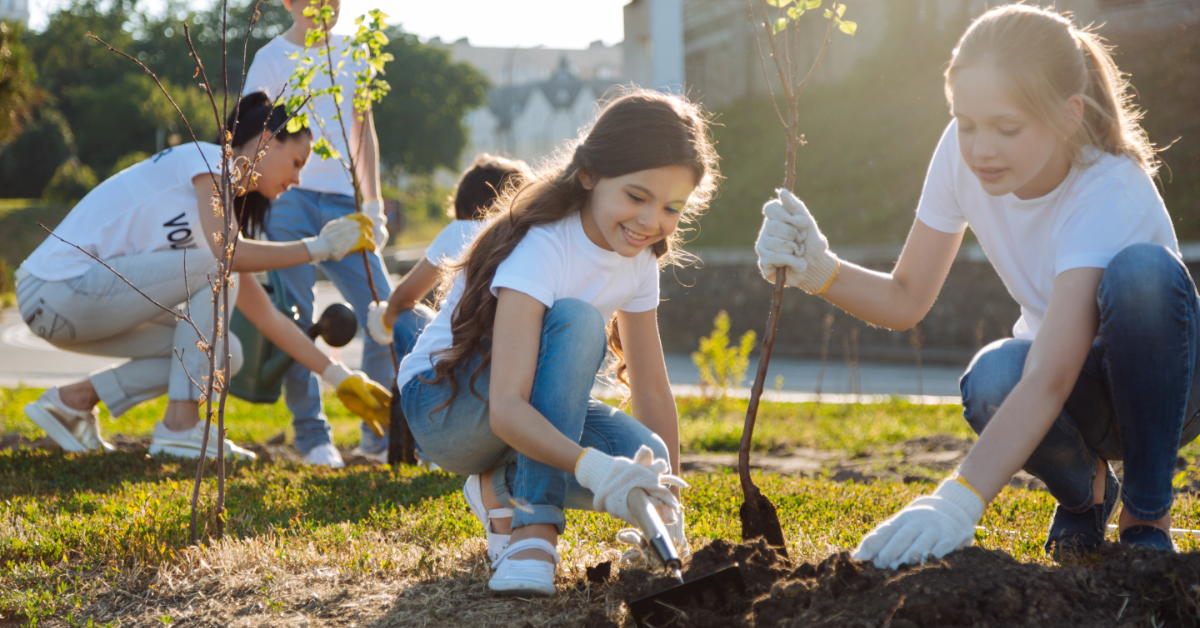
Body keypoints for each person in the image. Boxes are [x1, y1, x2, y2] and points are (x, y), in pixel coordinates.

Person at [755, 4, 1186, 567]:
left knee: (1143, 276)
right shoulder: (962, 157)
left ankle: (1147, 510)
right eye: (966, 122)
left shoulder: (1108, 188)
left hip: (1167, 386)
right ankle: (1085, 499)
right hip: (1074, 389)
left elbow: (1053, 374)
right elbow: (906, 297)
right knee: (992, 377)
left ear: (1067, 115)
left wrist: (958, 498)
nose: (981, 147)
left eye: (1006, 128)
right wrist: (819, 269)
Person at [396, 89, 718, 595]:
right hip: (445, 406)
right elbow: (506, 407)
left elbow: (653, 392)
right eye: (636, 196)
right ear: (589, 175)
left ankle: (497, 487)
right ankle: (533, 534)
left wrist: (666, 506)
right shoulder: (543, 244)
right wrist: (594, 469)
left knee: (645, 455)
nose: (652, 221)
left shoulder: (639, 259)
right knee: (577, 320)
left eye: (671, 207)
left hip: (515, 406)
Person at [17, 93, 390, 462]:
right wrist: (321, 247)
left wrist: (339, 377)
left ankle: (72, 402)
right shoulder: (207, 160)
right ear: (265, 141)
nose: (297, 179)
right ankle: (180, 429)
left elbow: (267, 318)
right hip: (54, 290)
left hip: (77, 305)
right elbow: (229, 257)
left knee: (227, 352)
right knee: (219, 265)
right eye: (296, 162)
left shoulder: (216, 218)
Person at [242, 0, 392, 469]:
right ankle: (312, 438)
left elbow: (363, 131)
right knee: (296, 316)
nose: (323, 6)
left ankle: (378, 435)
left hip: (346, 202)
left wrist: (373, 205)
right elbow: (251, 133)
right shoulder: (270, 58)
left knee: (384, 311)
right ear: (289, 2)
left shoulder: (355, 53)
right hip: (290, 200)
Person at [358, 154, 531, 463]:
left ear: (463, 207)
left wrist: (383, 320)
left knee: (406, 319)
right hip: (508, 375)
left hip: (456, 370)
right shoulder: (528, 236)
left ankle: (411, 442)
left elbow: (403, 298)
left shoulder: (461, 231)